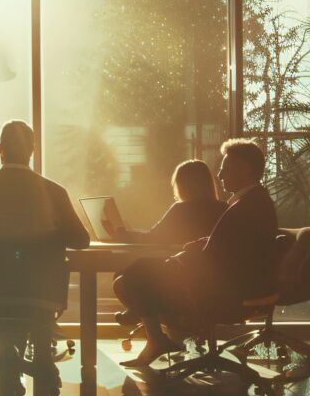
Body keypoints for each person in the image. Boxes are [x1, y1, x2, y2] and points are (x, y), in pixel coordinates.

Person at [113, 138, 279, 367]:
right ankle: (149, 325)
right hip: (231, 280)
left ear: (244, 171)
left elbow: (220, 252)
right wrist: (198, 245)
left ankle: (150, 327)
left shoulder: (245, 206)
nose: (220, 176)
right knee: (139, 271)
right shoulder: (250, 203)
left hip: (223, 288)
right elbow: (228, 244)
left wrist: (181, 260)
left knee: (136, 274)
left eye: (225, 169)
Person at [0, 120, 89, 249]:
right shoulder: (55, 192)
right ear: (32, 151)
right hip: (40, 274)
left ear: (0, 149)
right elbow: (81, 240)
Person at [107, 159, 227, 245]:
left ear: (183, 185)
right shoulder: (224, 210)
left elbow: (153, 237)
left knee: (123, 276)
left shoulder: (181, 210)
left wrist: (123, 234)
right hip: (212, 274)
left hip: (177, 270)